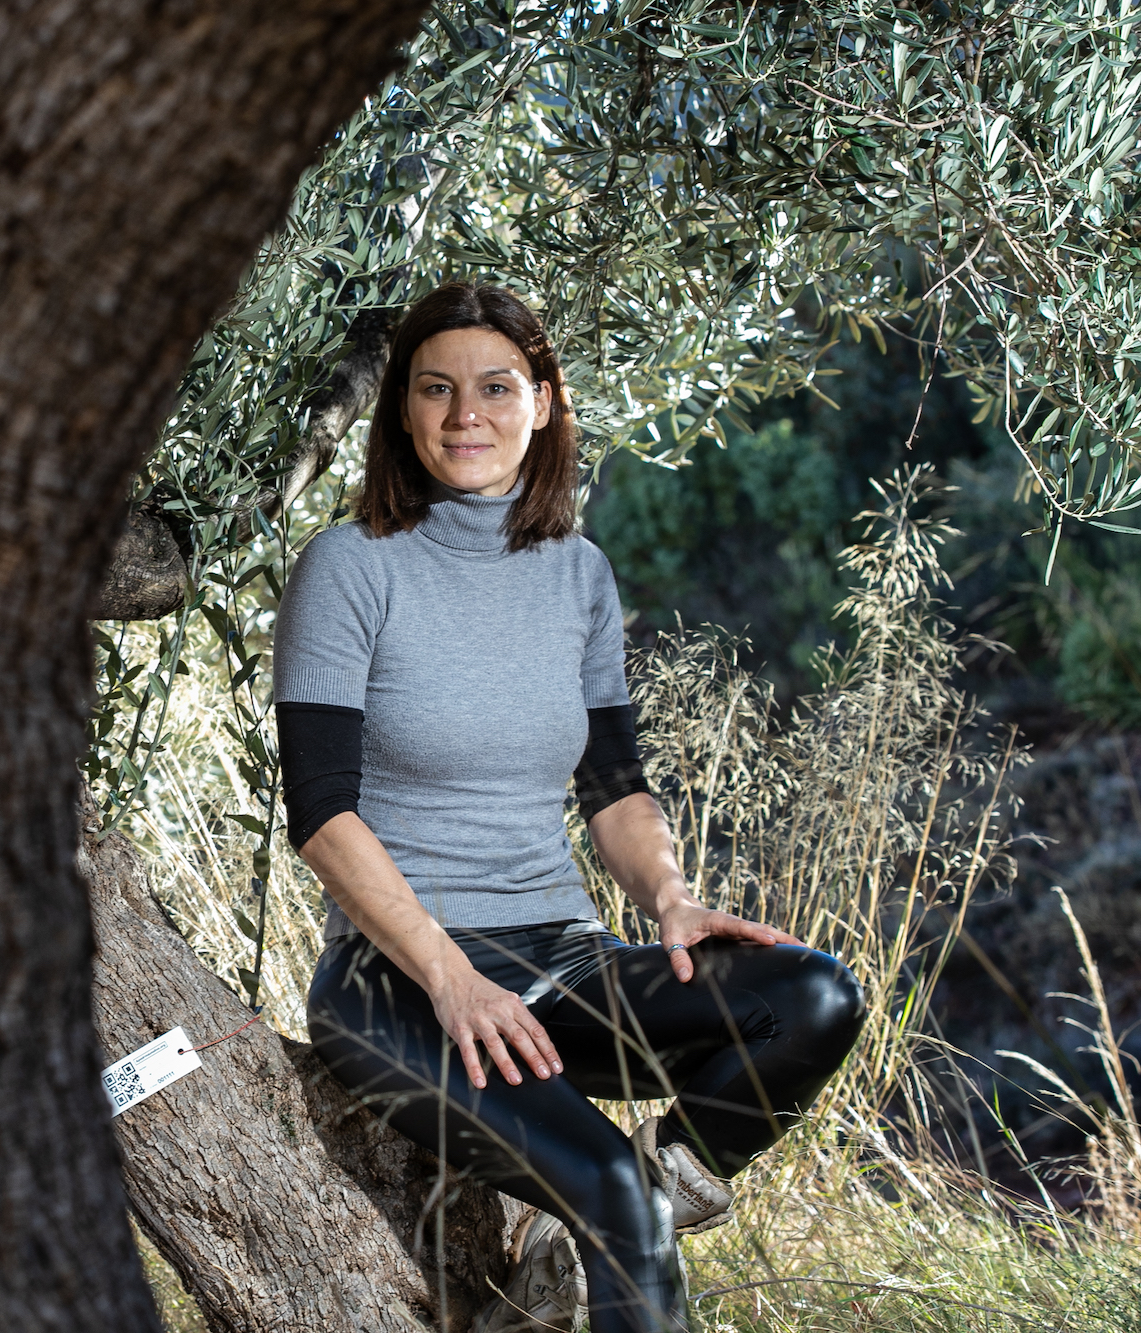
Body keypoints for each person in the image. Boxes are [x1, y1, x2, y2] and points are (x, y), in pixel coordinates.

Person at [273, 283, 865, 1333]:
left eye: (495, 387)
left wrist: (669, 900)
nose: (467, 415)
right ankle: (605, 1221)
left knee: (811, 997)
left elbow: (613, 787)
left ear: (540, 402)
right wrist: (449, 979)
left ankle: (571, 1250)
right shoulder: (348, 567)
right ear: (402, 412)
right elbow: (320, 813)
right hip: (395, 982)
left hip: (560, 959)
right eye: (436, 389)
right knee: (617, 1197)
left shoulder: (577, 575)